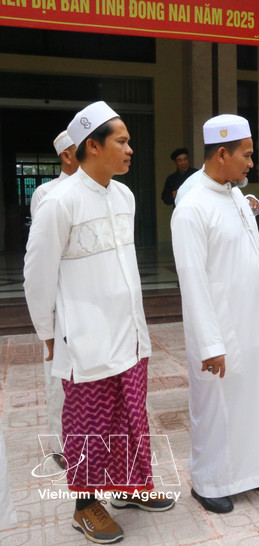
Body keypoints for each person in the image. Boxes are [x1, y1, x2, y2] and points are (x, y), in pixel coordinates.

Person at [24, 101, 174, 544]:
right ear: (93, 146)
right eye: (122, 141)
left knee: (130, 415)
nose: (130, 149)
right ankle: (85, 507)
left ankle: (129, 489)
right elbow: (37, 274)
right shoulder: (59, 201)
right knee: (90, 422)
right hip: (85, 337)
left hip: (129, 332)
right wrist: (48, 335)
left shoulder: (124, 196)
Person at [171, 114, 259, 514]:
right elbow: (193, 284)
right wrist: (209, 343)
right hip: (220, 329)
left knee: (257, 398)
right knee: (217, 409)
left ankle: (258, 470)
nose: (251, 163)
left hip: (253, 323)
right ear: (222, 153)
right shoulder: (191, 210)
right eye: (247, 155)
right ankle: (210, 481)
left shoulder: (237, 197)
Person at [29, 129, 77, 466]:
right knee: (58, 376)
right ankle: (61, 446)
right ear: (67, 155)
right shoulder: (48, 193)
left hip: (84, 301)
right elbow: (41, 257)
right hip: (60, 299)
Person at [30, 130, 78, 216]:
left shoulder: (100, 188)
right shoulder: (44, 192)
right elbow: (43, 229)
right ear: (66, 156)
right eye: (84, 152)